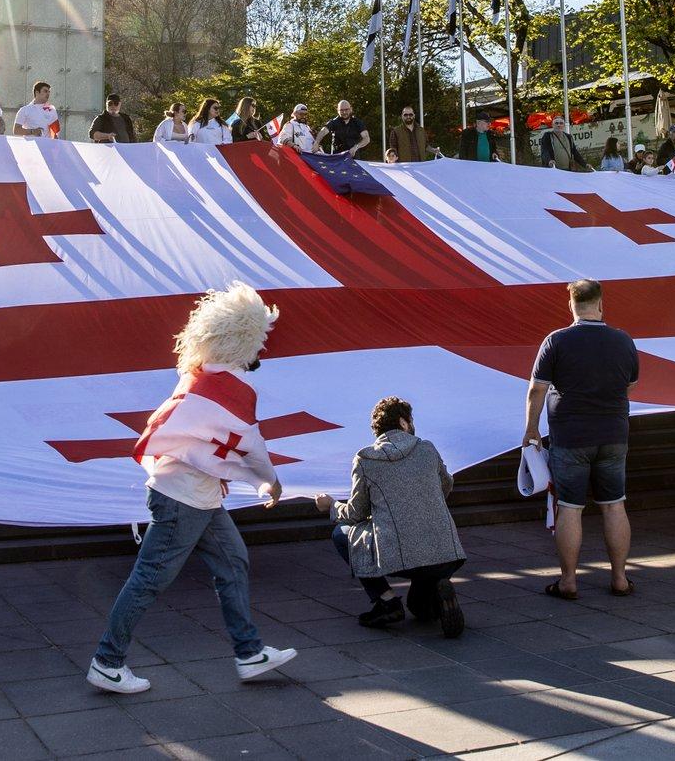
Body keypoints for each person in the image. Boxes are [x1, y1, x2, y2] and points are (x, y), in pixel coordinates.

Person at [87, 284, 297, 694]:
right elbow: (249, 443)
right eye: (259, 341)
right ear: (244, 340)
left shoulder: (198, 377)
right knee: (149, 579)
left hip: (194, 495)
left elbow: (199, 438)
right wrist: (271, 482)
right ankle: (107, 662)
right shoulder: (232, 387)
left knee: (232, 563)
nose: (262, 349)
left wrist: (234, 475)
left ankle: (249, 653)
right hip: (184, 499)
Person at [312, 396, 467, 636]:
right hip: (446, 553)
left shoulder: (365, 459)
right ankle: (438, 589)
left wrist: (331, 505)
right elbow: (446, 486)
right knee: (420, 609)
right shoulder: (427, 448)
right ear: (404, 422)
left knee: (341, 534)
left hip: (398, 556)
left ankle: (387, 600)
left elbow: (356, 513)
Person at [523, 280, 639, 599]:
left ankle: (568, 581)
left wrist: (531, 429)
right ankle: (620, 579)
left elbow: (537, 389)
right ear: (601, 304)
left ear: (571, 305)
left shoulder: (556, 341)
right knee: (614, 505)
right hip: (613, 435)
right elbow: (629, 385)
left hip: (571, 437)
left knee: (570, 508)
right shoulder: (623, 340)